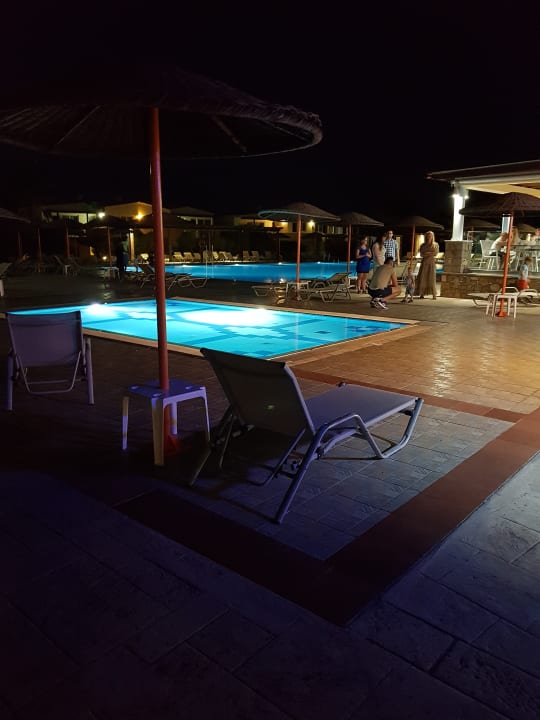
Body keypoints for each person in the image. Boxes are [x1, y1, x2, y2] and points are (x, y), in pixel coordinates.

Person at [415, 230, 439, 299]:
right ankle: (422, 293)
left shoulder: (435, 245)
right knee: (423, 277)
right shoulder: (423, 245)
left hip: (431, 263)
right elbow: (422, 254)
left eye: (430, 236)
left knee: (432, 278)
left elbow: (435, 253)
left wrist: (427, 253)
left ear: (432, 237)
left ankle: (434, 294)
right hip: (424, 262)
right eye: (428, 236)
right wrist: (429, 253)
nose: (429, 237)